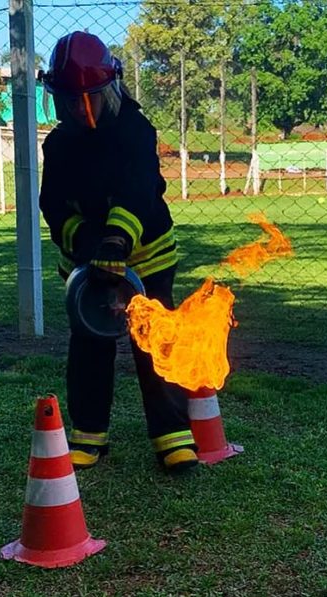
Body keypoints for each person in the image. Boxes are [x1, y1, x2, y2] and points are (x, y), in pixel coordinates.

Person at [39, 31, 197, 473]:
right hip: (87, 271)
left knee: (157, 343)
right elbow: (52, 204)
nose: (81, 109)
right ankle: (89, 436)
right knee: (89, 349)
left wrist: (116, 241)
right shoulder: (58, 145)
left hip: (147, 259)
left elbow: (139, 191)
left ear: (112, 88)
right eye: (71, 99)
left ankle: (173, 436)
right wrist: (87, 245)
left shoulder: (135, 129)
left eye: (90, 97)